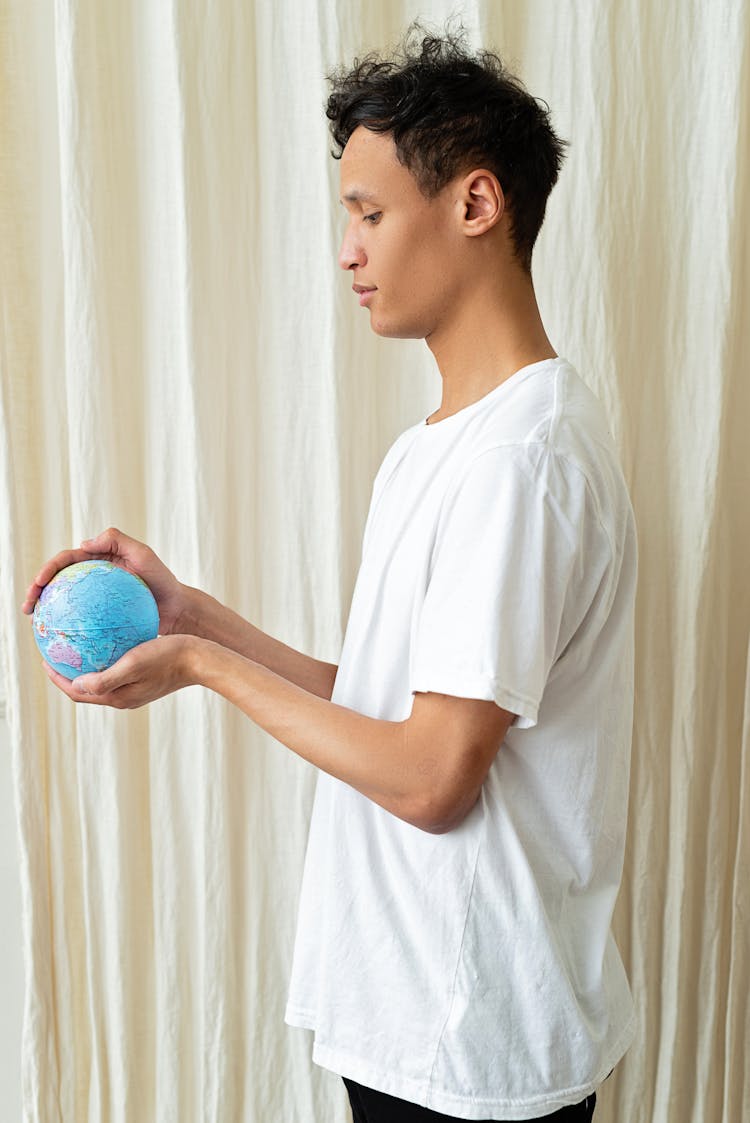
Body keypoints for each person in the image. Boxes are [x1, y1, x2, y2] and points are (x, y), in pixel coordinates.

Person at [22, 22, 638, 1123]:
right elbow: (395, 713)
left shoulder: (520, 459)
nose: (347, 250)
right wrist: (192, 613)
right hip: (410, 1022)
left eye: (369, 213)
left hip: (473, 1051)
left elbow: (430, 779)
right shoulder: (443, 443)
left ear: (476, 206)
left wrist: (204, 664)